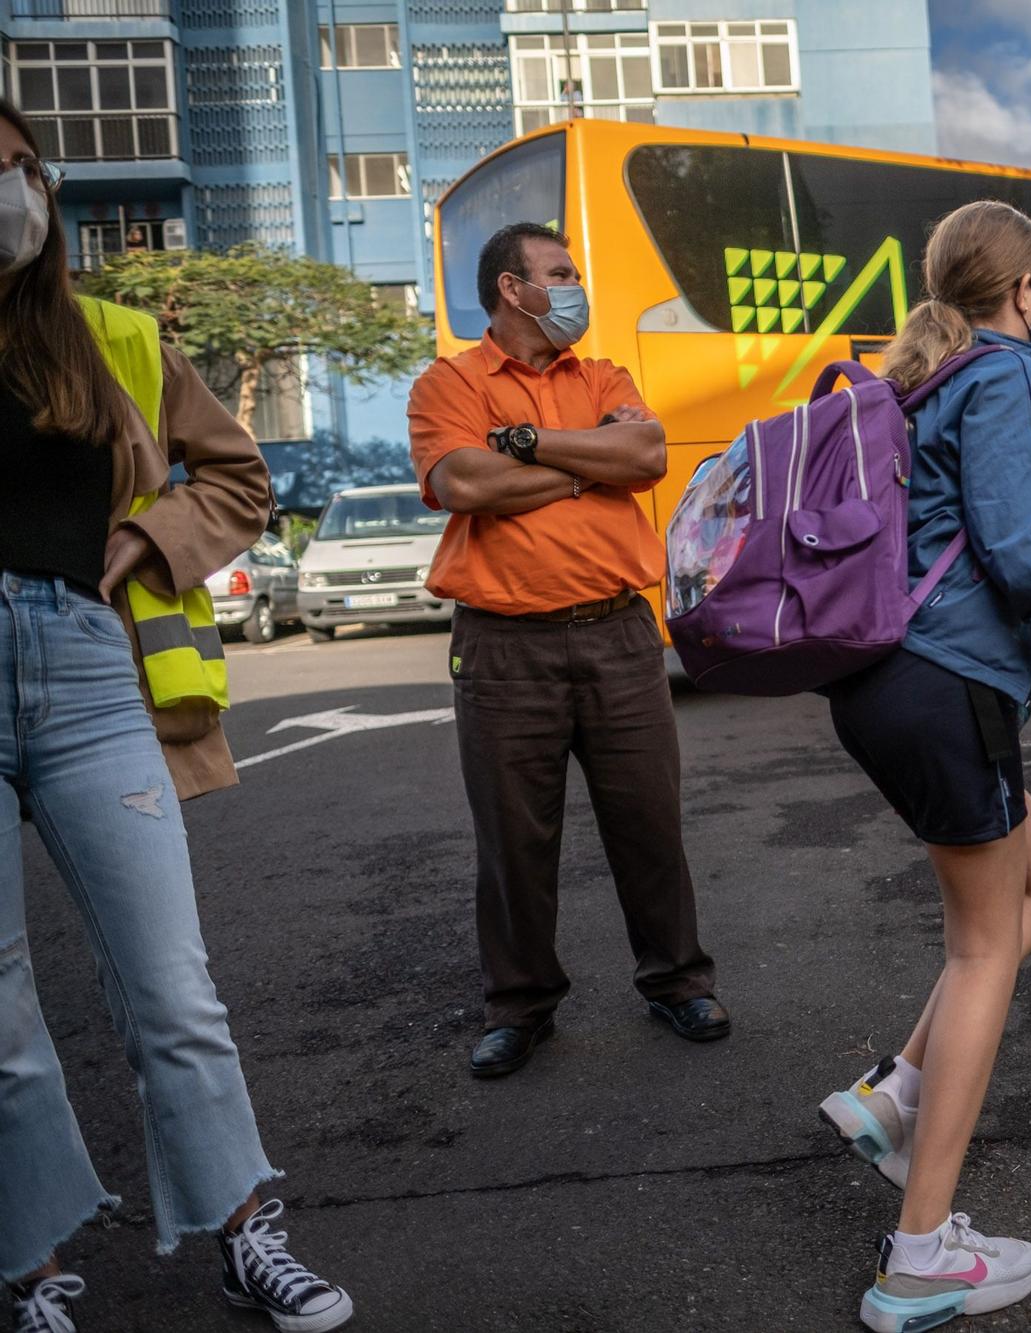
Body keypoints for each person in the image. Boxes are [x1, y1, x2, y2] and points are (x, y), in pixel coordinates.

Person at [0, 101, 353, 1333]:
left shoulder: (115, 337)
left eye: (18, 170)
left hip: (94, 671)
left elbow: (240, 478)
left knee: (173, 986)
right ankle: (32, 1271)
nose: (9, 194)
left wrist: (151, 534)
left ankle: (249, 1229)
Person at [811, 200, 1031, 1332]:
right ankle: (918, 1259)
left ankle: (892, 1096)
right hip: (945, 680)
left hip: (880, 682)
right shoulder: (1003, 372)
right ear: (1025, 287)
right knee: (984, 944)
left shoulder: (918, 377)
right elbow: (1024, 548)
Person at [406, 222, 726, 1079]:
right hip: (504, 647)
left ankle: (677, 980)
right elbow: (464, 482)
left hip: (621, 634)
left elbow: (648, 452)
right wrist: (591, 467)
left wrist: (528, 449)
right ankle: (520, 1007)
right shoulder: (449, 383)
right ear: (513, 288)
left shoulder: (606, 376)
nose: (575, 286)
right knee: (513, 842)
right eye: (560, 272)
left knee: (650, 823)